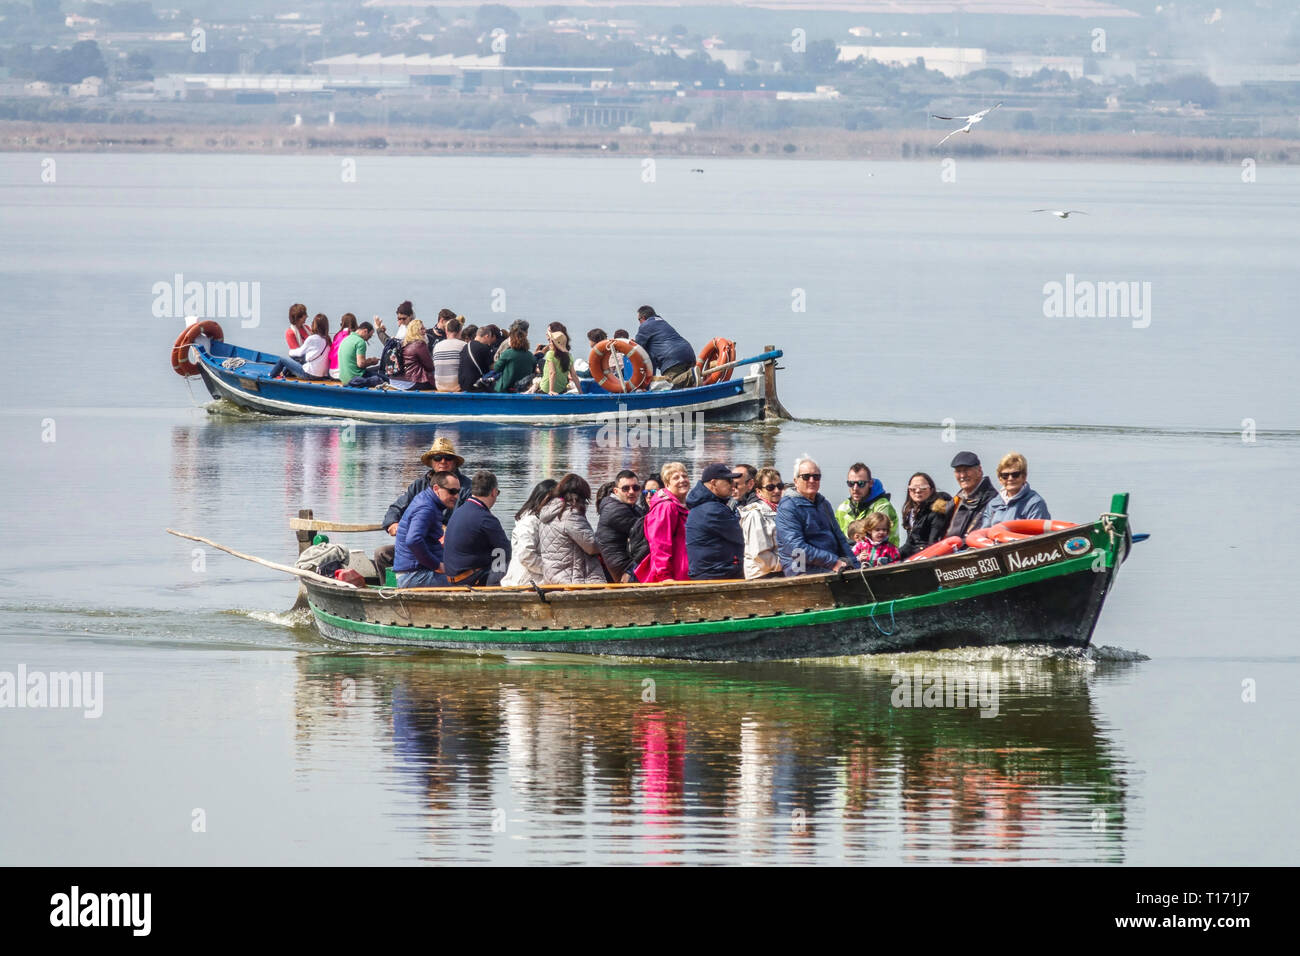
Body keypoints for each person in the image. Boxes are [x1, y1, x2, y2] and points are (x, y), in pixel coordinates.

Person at [373, 438, 473, 581]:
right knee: (382, 553)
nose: (443, 462)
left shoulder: (467, 488)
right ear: (432, 462)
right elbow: (397, 508)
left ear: (455, 462)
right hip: (420, 546)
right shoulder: (419, 486)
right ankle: (390, 594)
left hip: (449, 546)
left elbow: (470, 521)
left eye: (448, 458)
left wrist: (450, 532)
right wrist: (393, 523)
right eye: (438, 458)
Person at [776, 457, 858, 576]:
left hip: (830, 563)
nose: (812, 480)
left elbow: (840, 538)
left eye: (816, 477)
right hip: (800, 568)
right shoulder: (788, 507)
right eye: (806, 476)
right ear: (796, 480)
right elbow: (796, 549)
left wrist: (855, 564)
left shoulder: (823, 504)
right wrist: (833, 562)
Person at [393, 471, 461, 588]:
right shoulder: (426, 508)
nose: (456, 496)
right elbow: (413, 540)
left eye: (458, 492)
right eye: (452, 491)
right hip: (413, 575)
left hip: (416, 572)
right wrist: (437, 566)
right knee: (468, 581)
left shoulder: (428, 501)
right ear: (436, 489)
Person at [443, 470, 511, 586]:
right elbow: (506, 550)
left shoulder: (459, 511)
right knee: (508, 559)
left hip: (451, 577)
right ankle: (494, 593)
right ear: (494, 492)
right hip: (468, 578)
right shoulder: (486, 518)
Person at [538, 474, 605, 584]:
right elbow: (591, 546)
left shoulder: (548, 513)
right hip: (573, 578)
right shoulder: (571, 515)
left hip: (552, 575)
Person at [685, 464, 745, 580]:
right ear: (713, 483)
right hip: (716, 575)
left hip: (710, 572)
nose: (733, 485)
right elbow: (742, 536)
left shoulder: (705, 505)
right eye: (728, 480)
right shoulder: (712, 510)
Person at [634, 461, 691, 583]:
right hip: (673, 575)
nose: (682, 480)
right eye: (676, 477)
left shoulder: (684, 505)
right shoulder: (665, 507)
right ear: (667, 484)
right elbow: (659, 544)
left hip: (684, 571)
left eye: (684, 476)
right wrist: (664, 576)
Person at [501, 479, 557, 586]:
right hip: (524, 582)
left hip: (534, 580)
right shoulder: (529, 522)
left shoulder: (540, 520)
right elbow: (526, 555)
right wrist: (550, 569)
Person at [835, 463, 900, 547]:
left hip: (883, 555)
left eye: (860, 483)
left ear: (870, 483)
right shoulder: (842, 508)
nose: (855, 488)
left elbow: (878, 538)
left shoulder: (882, 506)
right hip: (850, 555)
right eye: (851, 483)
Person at [633, 305, 696, 389]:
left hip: (672, 359)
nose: (639, 323)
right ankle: (692, 376)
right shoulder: (662, 322)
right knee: (687, 387)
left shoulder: (645, 326)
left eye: (639, 320)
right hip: (688, 353)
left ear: (643, 318)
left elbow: (637, 349)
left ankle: (691, 374)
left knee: (670, 386)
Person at [595, 470, 642, 583]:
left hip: (629, 566)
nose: (631, 492)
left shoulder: (631, 507)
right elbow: (648, 532)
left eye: (635, 488)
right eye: (626, 488)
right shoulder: (614, 510)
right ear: (616, 491)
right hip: (625, 572)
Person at [980, 452, 1051, 526]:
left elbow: (1037, 533)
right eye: (1005, 475)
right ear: (1000, 479)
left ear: (1024, 477)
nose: (1010, 479)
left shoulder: (1035, 503)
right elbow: (984, 530)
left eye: (1015, 475)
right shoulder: (993, 503)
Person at [897, 472, 955, 561]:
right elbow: (910, 543)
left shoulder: (938, 510)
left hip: (930, 556)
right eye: (913, 488)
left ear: (931, 490)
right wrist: (893, 554)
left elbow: (934, 542)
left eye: (923, 488)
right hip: (915, 552)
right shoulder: (912, 511)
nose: (917, 491)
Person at [740, 467, 784, 579]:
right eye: (770, 487)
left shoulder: (782, 510)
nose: (777, 491)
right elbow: (760, 556)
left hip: (779, 571)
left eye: (779, 486)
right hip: (763, 575)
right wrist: (788, 564)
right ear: (759, 491)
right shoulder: (754, 514)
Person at [944, 451, 1000, 538]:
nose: (962, 475)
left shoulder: (991, 500)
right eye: (958, 471)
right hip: (945, 546)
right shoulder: (959, 498)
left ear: (979, 471)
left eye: (966, 470)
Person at [269, 313, 330, 380]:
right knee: (299, 358)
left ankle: (271, 376)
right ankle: (285, 374)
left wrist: (290, 352)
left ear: (315, 325)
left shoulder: (312, 338)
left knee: (282, 360)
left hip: (309, 374)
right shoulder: (328, 339)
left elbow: (299, 353)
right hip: (322, 375)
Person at [531, 326, 581, 394]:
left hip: (546, 389)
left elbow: (552, 373)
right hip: (561, 389)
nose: (550, 343)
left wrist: (551, 390)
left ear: (555, 344)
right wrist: (580, 391)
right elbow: (574, 375)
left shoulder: (550, 354)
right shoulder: (569, 356)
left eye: (551, 341)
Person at [492, 325, 536, 392]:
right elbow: (533, 371)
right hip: (523, 388)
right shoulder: (530, 355)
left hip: (505, 387)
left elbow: (497, 368)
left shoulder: (507, 353)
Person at [337, 322, 380, 386]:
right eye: (369, 336)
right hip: (355, 379)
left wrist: (369, 360)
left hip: (344, 379)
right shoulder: (360, 342)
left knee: (376, 370)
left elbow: (354, 361)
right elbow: (361, 364)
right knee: (382, 379)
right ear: (365, 331)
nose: (368, 339)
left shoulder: (346, 339)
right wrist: (372, 362)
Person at [459, 323, 499, 392]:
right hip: (476, 385)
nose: (489, 343)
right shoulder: (484, 348)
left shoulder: (465, 347)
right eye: (489, 338)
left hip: (463, 384)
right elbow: (493, 368)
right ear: (486, 336)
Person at [432, 317, 467, 392]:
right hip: (457, 387)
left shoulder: (437, 346)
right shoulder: (464, 345)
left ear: (446, 331)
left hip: (439, 387)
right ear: (460, 331)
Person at [400, 318, 435, 390]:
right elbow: (430, 367)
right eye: (421, 329)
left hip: (402, 380)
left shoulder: (404, 344)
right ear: (415, 331)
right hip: (415, 381)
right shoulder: (420, 344)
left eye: (424, 328)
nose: (425, 331)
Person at [328, 313, 358, 380]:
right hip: (346, 375)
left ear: (342, 324)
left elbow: (330, 355)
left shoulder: (337, 335)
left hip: (332, 373)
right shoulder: (355, 337)